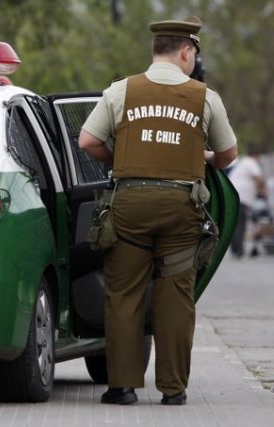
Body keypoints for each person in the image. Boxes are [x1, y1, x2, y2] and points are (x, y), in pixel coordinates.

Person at [78, 16, 237, 405]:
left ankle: (123, 387)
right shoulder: (205, 97)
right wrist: (201, 157)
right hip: (182, 208)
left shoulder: (121, 91)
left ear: (156, 50)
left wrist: (123, 158)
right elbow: (228, 155)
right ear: (186, 51)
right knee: (176, 296)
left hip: (130, 205)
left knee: (124, 293)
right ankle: (173, 390)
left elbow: (86, 140)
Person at [227, 146, 267, 258]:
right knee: (240, 224)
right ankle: (239, 251)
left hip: (234, 197)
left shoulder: (243, 163)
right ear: (256, 156)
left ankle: (235, 250)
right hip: (241, 198)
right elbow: (258, 178)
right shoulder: (250, 162)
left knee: (235, 224)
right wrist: (263, 191)